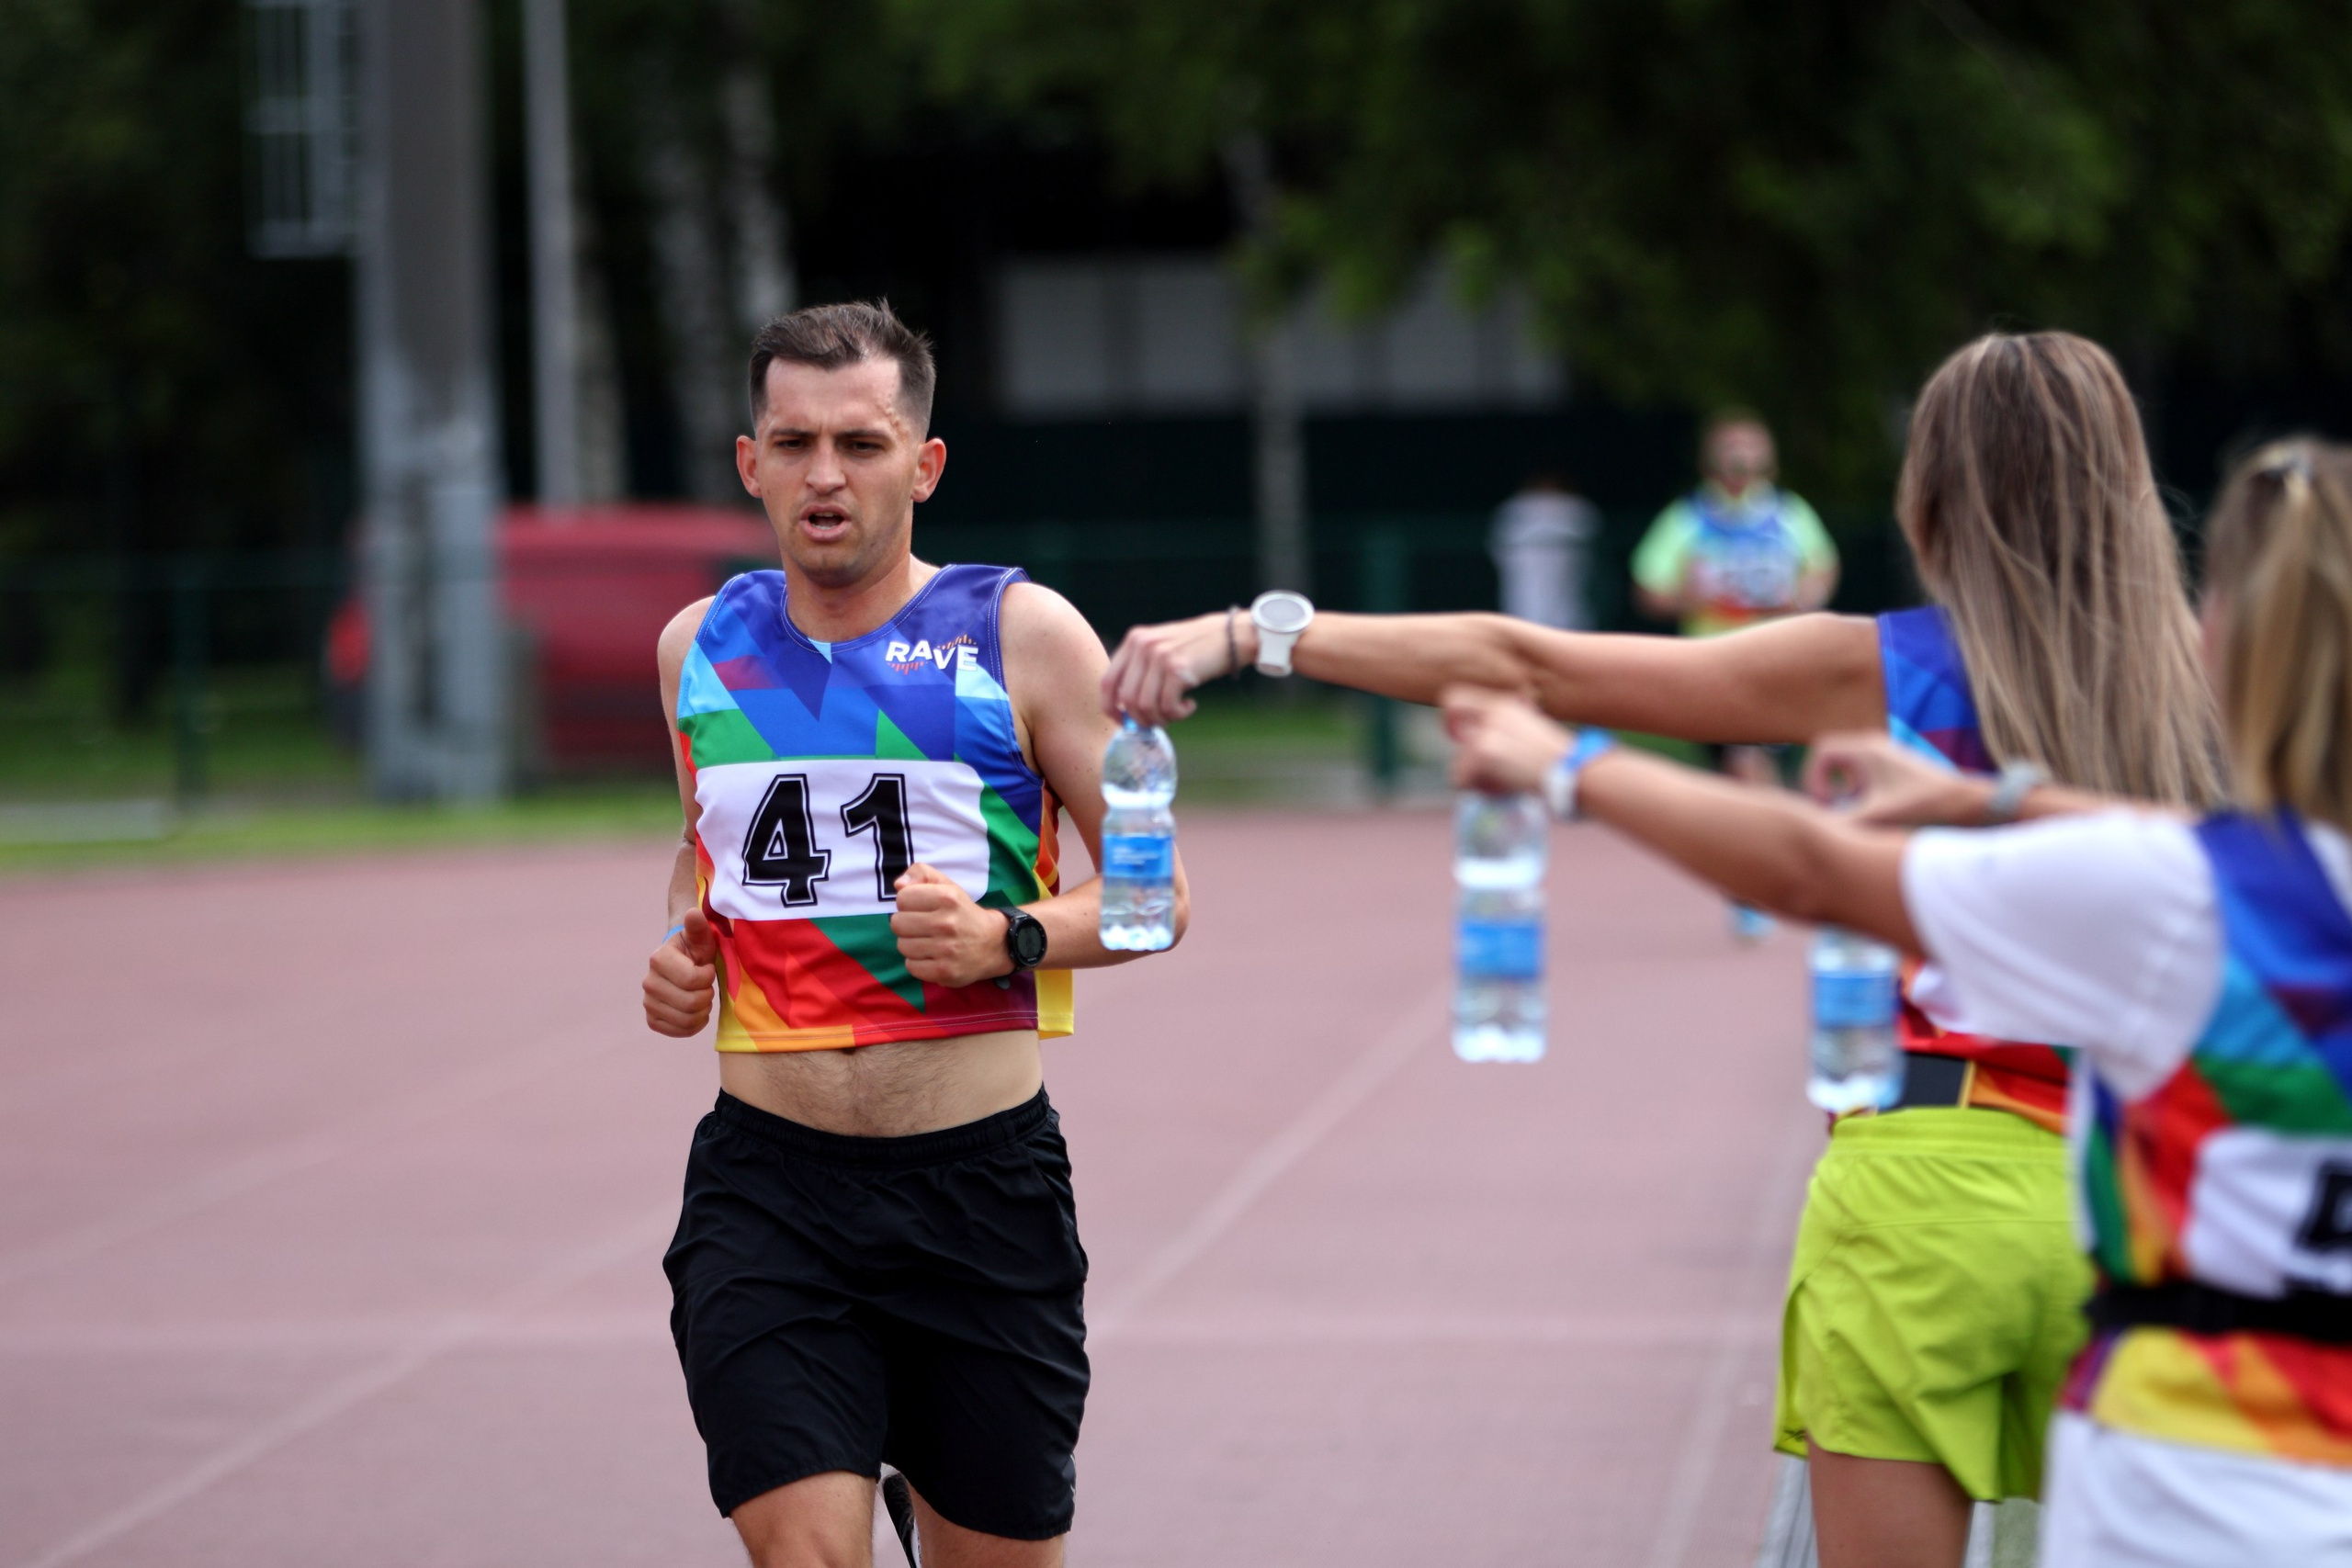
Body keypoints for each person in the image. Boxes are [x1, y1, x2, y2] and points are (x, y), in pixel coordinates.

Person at [1101, 333, 2224, 1568]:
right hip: (2165, 1192)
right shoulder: (2228, 685)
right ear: (2128, 479)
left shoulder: (1879, 663)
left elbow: (1528, 662)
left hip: (1927, 1183)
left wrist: (1255, 633)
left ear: (1933, 496)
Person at [1438, 437, 2352, 1568]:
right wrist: (1999, 797)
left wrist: (1565, 765)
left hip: (2187, 1483)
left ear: (2228, 645)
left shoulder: (2186, 899)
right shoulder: (2201, 876)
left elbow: (1813, 871)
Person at [640, 300, 1188, 1568]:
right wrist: (684, 947)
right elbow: (702, 847)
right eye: (793, 442)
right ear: (750, 462)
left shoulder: (1024, 633)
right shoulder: (699, 650)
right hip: (767, 1189)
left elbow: (1159, 890)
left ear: (924, 464)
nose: (824, 474)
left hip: (981, 1192)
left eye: (862, 443)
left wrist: (1011, 938)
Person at [1633, 412, 1839, 939]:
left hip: (1773, 662)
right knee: (1738, 777)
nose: (1741, 459)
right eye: (1731, 448)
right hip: (1711, 666)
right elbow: (1649, 587)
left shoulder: (1788, 514)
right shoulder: (1689, 520)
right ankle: (1761, 873)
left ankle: (1767, 877)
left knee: (1751, 767)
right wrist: (1691, 596)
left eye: (1751, 447)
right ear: (1712, 459)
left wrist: (1806, 597)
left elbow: (1821, 566)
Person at [1489, 468, 1599, 632]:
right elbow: (1498, 549)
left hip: (1569, 612)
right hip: (1521, 605)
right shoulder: (1514, 509)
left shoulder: (1576, 508)